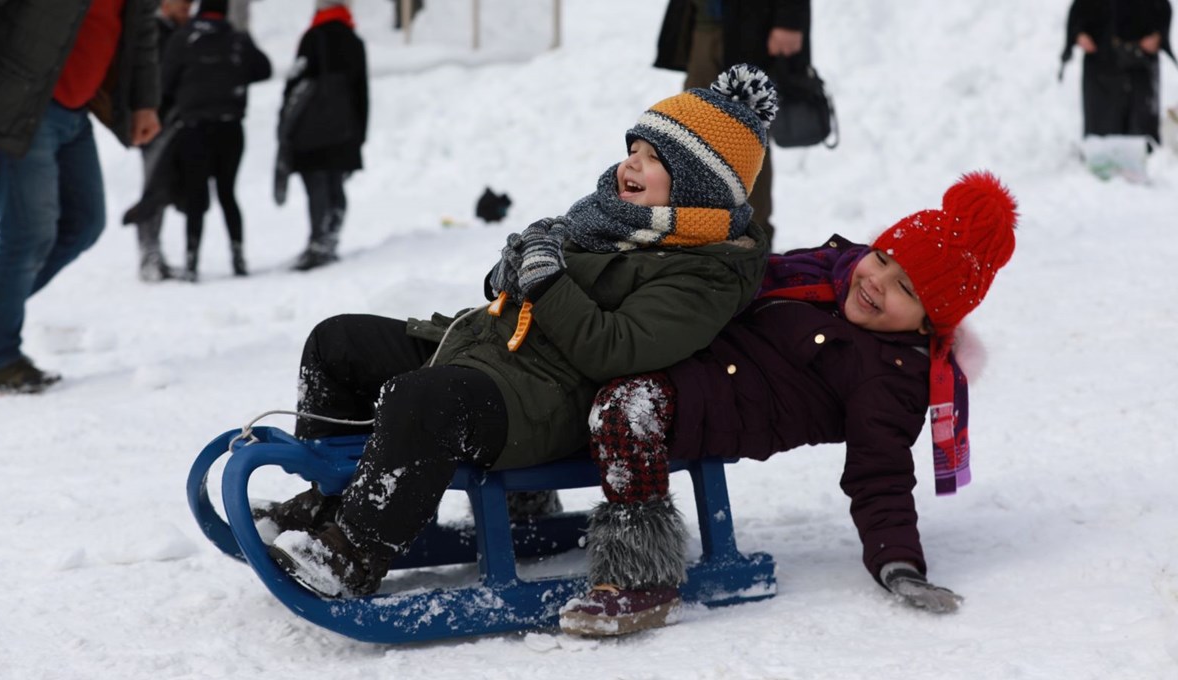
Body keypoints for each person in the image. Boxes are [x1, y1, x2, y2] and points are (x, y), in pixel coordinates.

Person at [254, 65, 778, 599]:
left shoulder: (705, 272)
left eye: (652, 158)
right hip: (492, 349)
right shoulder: (608, 218)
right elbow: (523, 284)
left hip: (545, 400)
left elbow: (617, 352)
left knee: (423, 400)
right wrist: (510, 271)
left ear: (696, 185)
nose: (630, 164)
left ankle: (353, 552)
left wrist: (546, 281)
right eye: (633, 148)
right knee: (338, 343)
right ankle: (333, 499)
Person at [558, 171, 1019, 637]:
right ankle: (522, 502)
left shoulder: (890, 377)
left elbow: (881, 474)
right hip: (692, 347)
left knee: (624, 409)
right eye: (881, 258)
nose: (877, 281)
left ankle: (642, 579)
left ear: (928, 322)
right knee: (566, 357)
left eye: (906, 288)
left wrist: (897, 562)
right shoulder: (826, 272)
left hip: (718, 403)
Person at [0, 0, 161, 395]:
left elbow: (140, 27)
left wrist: (144, 101)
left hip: (75, 108)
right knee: (28, 234)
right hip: (20, 104)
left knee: (83, 223)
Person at [654, 0, 811, 243]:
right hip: (704, 24)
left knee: (745, 137)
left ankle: (752, 236)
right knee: (694, 131)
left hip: (752, 27)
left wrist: (789, 17)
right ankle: (696, 230)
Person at [161, 0, 271, 281]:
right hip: (230, 128)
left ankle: (191, 262)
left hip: (194, 129)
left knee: (196, 196)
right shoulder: (236, 39)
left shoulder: (184, 38)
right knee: (227, 193)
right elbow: (263, 69)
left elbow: (165, 82)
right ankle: (238, 257)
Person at [278, 0, 369, 272]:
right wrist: (360, 133)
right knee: (335, 185)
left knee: (316, 187)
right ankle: (330, 239)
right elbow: (361, 91)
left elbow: (295, 86)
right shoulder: (353, 40)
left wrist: (285, 128)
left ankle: (318, 243)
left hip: (311, 132)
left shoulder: (312, 37)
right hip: (344, 128)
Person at [1062, 0, 1174, 148]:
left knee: (1141, 137)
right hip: (1101, 64)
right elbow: (1078, 12)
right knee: (1103, 135)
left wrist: (1158, 36)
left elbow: (1163, 9)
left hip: (1140, 66)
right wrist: (1079, 35)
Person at [135, 0, 193, 282]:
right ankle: (149, 256)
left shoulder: (182, 32)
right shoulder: (153, 32)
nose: (188, 7)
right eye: (183, 2)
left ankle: (157, 254)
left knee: (169, 190)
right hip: (156, 126)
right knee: (153, 191)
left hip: (181, 125)